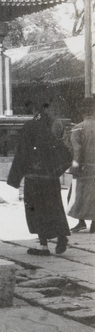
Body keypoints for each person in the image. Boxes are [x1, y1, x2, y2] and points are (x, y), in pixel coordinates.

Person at [7, 103, 71, 256]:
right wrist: (57, 171)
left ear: (35, 110)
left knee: (37, 211)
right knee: (54, 209)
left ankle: (43, 246)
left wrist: (14, 179)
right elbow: (66, 154)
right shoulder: (53, 128)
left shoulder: (29, 127)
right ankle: (61, 236)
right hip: (50, 179)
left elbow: (21, 152)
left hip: (33, 178)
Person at [67, 97, 95, 233]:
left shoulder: (78, 128)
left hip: (85, 168)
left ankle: (81, 221)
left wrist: (74, 168)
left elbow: (76, 151)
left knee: (78, 195)